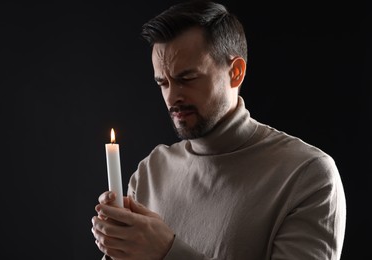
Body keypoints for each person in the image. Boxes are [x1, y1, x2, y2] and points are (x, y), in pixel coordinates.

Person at [91, 1, 347, 259]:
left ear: (235, 73)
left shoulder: (307, 174)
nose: (172, 97)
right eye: (163, 83)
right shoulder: (151, 171)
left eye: (187, 78)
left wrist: (167, 251)